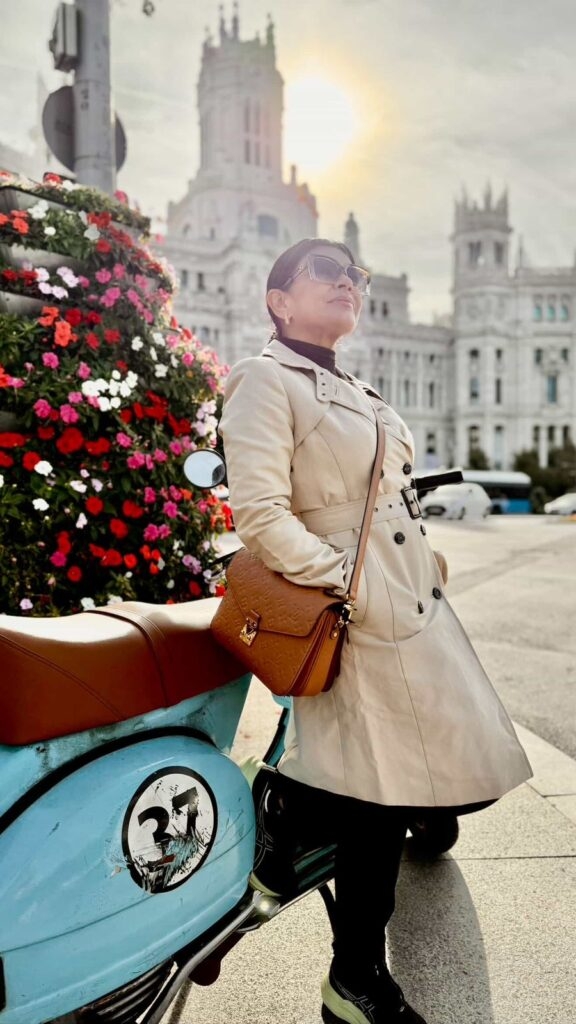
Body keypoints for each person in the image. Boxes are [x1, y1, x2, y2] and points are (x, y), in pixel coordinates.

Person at [218, 238, 532, 1024]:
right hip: (354, 611)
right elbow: (259, 514)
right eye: (326, 272)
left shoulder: (357, 389)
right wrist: (348, 582)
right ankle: (355, 978)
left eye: (354, 275)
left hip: (410, 606)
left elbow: (392, 501)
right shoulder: (263, 379)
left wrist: (420, 564)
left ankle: (288, 817)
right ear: (279, 300)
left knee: (420, 774)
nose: (348, 283)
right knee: (379, 796)